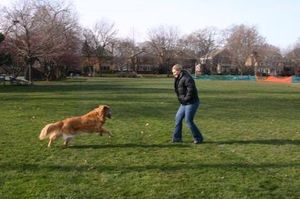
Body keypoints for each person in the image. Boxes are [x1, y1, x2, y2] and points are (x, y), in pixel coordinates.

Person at [171, 64, 204, 144]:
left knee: (188, 120)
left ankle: (198, 138)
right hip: (184, 103)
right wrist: (182, 100)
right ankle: (177, 138)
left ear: (179, 70)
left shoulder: (187, 78)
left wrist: (185, 99)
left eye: (174, 72)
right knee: (178, 118)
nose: (173, 74)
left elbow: (191, 91)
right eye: (173, 72)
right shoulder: (178, 78)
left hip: (192, 102)